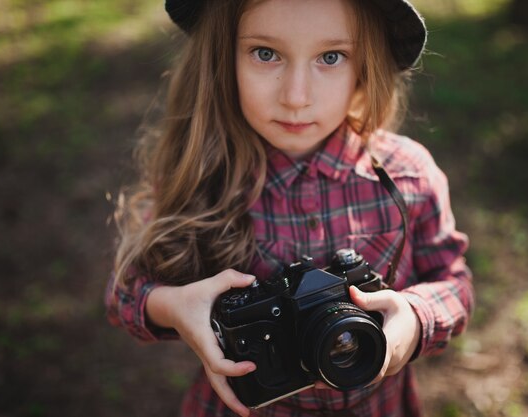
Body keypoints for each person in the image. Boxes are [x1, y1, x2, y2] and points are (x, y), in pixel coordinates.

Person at [105, 0, 474, 416]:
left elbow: (454, 280)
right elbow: (124, 295)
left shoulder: (408, 175)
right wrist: (173, 305)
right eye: (266, 53)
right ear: (223, 58)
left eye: (331, 57)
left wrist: (415, 315)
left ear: (365, 67)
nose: (296, 97)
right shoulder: (202, 178)